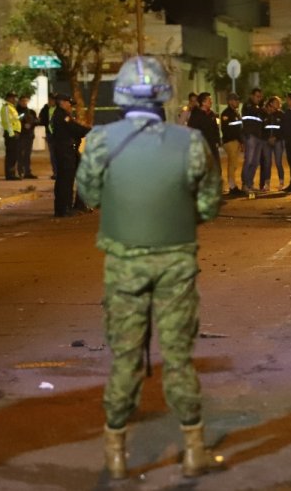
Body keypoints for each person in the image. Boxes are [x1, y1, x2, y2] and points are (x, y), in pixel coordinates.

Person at [76, 56, 223, 480]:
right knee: (178, 358)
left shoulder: (101, 140)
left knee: (124, 358)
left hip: (124, 263)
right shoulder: (191, 142)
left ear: (120, 96)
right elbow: (210, 204)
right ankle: (193, 450)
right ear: (163, 96)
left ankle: (116, 453)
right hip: (176, 260)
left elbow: (88, 193)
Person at [50, 94, 90, 217]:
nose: (70, 107)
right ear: (62, 102)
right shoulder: (61, 116)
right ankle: (64, 209)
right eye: (69, 104)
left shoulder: (64, 115)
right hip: (65, 151)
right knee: (65, 181)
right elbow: (74, 129)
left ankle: (79, 205)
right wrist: (88, 130)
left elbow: (75, 129)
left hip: (70, 150)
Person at [240, 88, 265, 193]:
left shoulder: (258, 107)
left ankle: (250, 184)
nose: (258, 98)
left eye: (260, 96)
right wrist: (262, 109)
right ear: (251, 96)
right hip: (250, 137)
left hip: (258, 137)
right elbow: (254, 112)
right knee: (249, 161)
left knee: (255, 162)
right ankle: (245, 185)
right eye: (257, 96)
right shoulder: (248, 106)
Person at [219, 93, 244, 196]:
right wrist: (236, 139)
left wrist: (241, 141)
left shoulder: (235, 113)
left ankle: (233, 185)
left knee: (234, 164)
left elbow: (239, 129)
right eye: (235, 100)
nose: (237, 102)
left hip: (236, 141)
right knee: (232, 164)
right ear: (230, 101)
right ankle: (232, 186)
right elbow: (226, 130)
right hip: (230, 141)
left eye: (238, 100)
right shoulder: (226, 114)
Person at [188, 92, 221, 164]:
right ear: (203, 102)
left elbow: (216, 129)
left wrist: (217, 141)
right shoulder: (196, 115)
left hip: (212, 146)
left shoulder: (211, 114)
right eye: (209, 100)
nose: (211, 102)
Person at [260, 96, 284, 193]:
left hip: (278, 141)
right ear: (270, 103)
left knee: (278, 162)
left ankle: (281, 182)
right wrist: (267, 138)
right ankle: (267, 183)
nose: (278, 104)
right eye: (276, 102)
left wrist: (276, 137)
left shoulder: (281, 115)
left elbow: (283, 129)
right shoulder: (264, 114)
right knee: (267, 163)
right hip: (266, 142)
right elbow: (261, 128)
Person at [0, 91, 21, 180]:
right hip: (11, 133)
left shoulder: (12, 107)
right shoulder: (7, 107)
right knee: (11, 155)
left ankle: (12, 173)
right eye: (13, 97)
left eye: (15, 97)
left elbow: (14, 120)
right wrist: (12, 133)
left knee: (13, 155)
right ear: (8, 98)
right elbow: (7, 122)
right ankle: (10, 174)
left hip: (14, 133)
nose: (15, 99)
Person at [16, 95, 39, 180]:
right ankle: (20, 171)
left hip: (29, 135)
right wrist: (23, 125)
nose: (24, 103)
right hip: (20, 135)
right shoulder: (16, 111)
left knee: (27, 155)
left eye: (26, 101)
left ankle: (27, 172)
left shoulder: (31, 112)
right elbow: (15, 121)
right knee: (20, 154)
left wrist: (31, 124)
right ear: (19, 101)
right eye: (23, 101)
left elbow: (37, 121)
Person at [39, 93, 58, 180]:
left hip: (59, 135)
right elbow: (41, 120)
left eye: (53, 99)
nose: (52, 101)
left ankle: (60, 172)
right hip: (50, 135)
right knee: (53, 155)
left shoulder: (59, 109)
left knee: (59, 154)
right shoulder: (45, 109)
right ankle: (55, 172)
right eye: (50, 99)